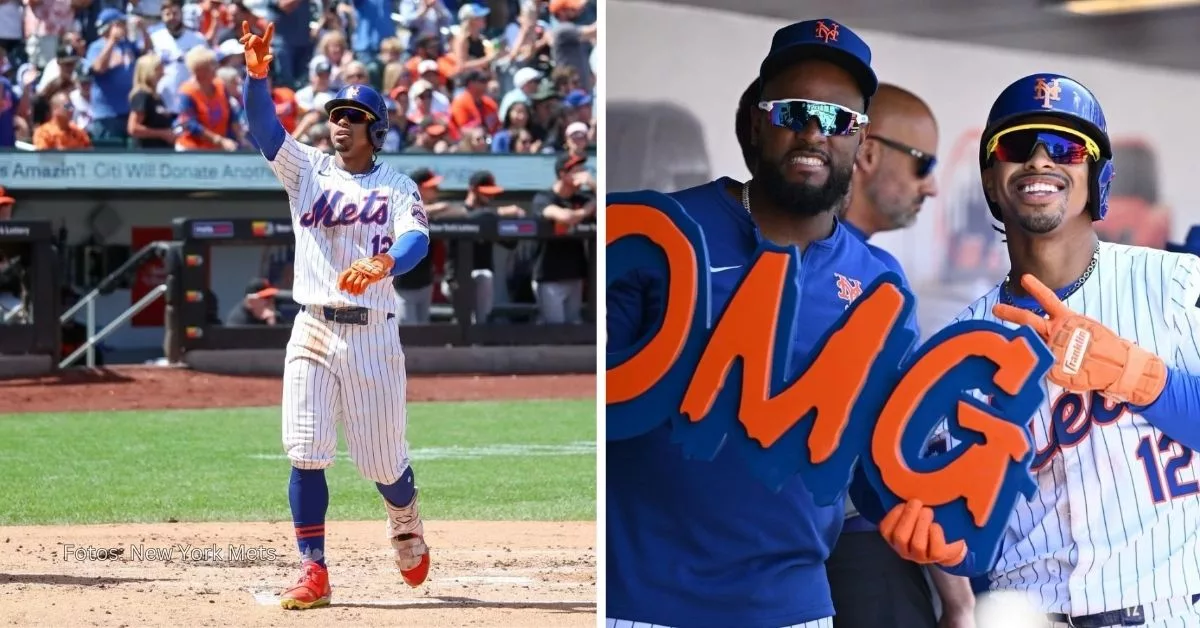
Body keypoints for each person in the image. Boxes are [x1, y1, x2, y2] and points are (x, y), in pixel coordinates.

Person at [607, 19, 952, 628]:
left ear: (861, 144)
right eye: (793, 110)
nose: (814, 132)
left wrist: (926, 523)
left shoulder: (880, 284)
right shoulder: (659, 233)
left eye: (837, 118)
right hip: (638, 602)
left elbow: (880, 464)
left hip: (793, 609)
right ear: (755, 122)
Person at [903, 73, 1200, 627]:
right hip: (1026, 611)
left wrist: (1142, 378)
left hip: (1166, 607)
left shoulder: (1178, 284)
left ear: (1098, 178)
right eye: (1017, 147)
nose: (1040, 161)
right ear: (992, 182)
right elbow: (967, 525)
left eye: (1066, 148)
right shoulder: (961, 342)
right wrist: (937, 538)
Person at [239, 21, 433, 610]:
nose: (341, 122)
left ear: (376, 129)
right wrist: (257, 75)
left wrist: (382, 264)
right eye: (336, 114)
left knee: (381, 459)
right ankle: (313, 569)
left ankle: (405, 520)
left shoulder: (397, 183)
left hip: (372, 333)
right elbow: (262, 129)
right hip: (312, 326)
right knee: (305, 448)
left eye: (353, 115)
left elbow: (417, 242)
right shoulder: (309, 170)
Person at [443, 170, 525, 324]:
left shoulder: (490, 216)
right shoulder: (457, 211)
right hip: (456, 277)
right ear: (473, 189)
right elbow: (471, 216)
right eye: (486, 193)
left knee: (480, 317)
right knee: (462, 320)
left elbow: (510, 243)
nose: (491, 196)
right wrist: (499, 212)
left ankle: (477, 344)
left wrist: (515, 222)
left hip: (483, 276)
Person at [394, 167, 465, 324]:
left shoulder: (434, 210)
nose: (436, 189)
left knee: (423, 330)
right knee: (409, 333)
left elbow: (462, 213)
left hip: (424, 281)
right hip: (402, 285)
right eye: (431, 186)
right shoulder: (401, 203)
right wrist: (437, 208)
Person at [533, 153, 593, 324]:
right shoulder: (544, 197)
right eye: (576, 169)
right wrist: (587, 210)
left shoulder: (582, 198)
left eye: (582, 168)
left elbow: (608, 207)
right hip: (549, 276)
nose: (582, 173)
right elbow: (565, 217)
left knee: (574, 323)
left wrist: (593, 185)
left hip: (575, 275)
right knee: (555, 327)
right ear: (562, 174)